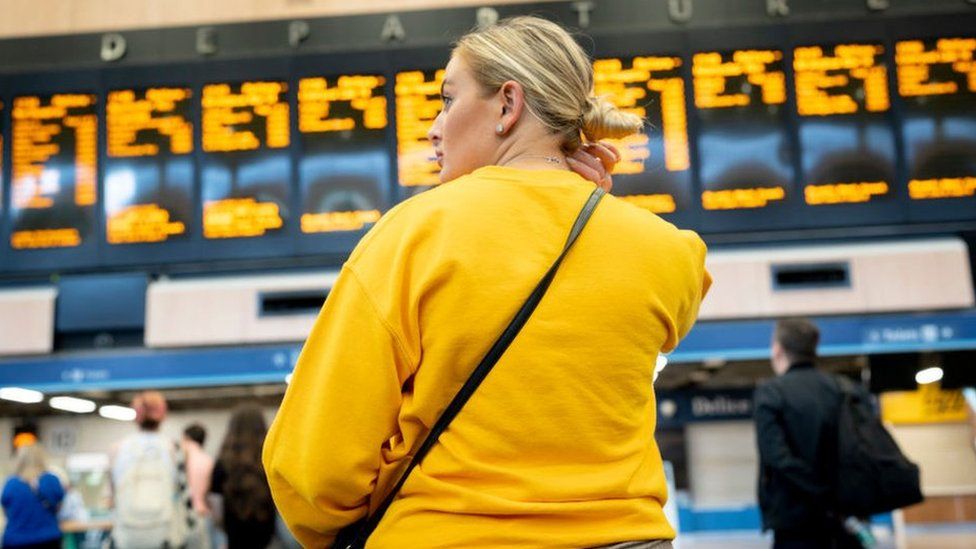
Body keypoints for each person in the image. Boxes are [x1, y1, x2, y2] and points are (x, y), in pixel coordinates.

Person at [264, 16, 710, 548]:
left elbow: (315, 467)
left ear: (507, 105)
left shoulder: (412, 237)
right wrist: (574, 190)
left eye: (448, 100)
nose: (434, 126)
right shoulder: (665, 251)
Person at [753, 319, 861, 548]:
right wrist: (833, 497)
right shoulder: (842, 388)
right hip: (839, 518)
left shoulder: (771, 393)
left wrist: (817, 490)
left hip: (793, 521)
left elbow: (777, 457)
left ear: (778, 349)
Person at [111, 390, 194, 549]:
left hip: (127, 535)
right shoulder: (176, 449)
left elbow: (112, 496)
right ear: (163, 413)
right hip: (165, 532)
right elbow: (184, 495)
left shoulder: (117, 449)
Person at [209, 405, 276, 549]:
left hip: (233, 535)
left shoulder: (223, 462)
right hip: (267, 535)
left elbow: (215, 501)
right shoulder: (269, 460)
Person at [1, 443, 65, 549]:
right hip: (48, 539)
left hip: (16, 541)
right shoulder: (52, 480)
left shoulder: (11, 483)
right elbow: (59, 508)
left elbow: (6, 512)